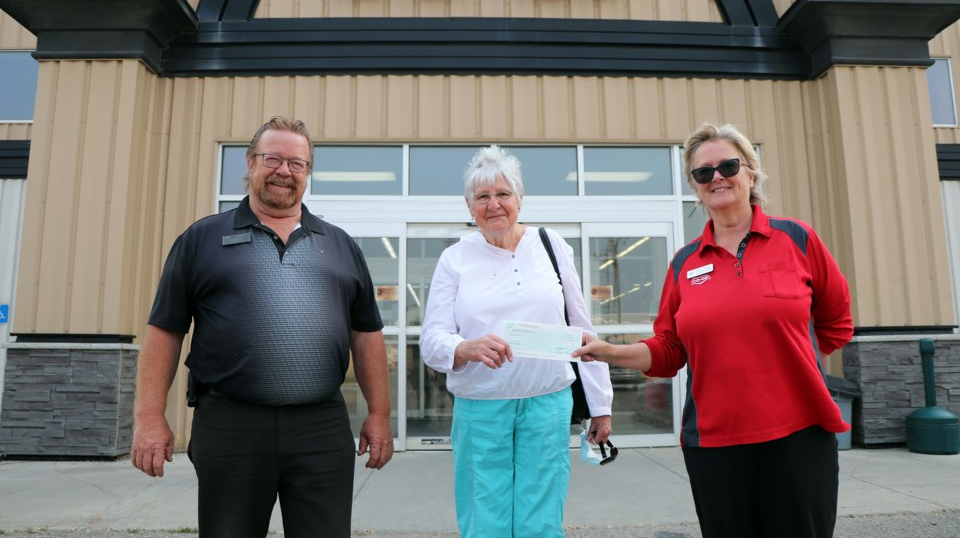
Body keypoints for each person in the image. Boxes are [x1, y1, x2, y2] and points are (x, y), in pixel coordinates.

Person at [575, 122, 853, 538]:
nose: (717, 177)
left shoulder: (797, 239)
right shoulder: (684, 263)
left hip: (800, 435)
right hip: (715, 443)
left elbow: (835, 323)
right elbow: (669, 350)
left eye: (727, 165)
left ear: (750, 172)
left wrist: (792, 364)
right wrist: (610, 351)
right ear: (695, 185)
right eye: (704, 172)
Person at [130, 116, 394, 538]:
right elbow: (165, 330)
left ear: (308, 173)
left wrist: (379, 414)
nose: (284, 172)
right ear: (250, 163)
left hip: (321, 427)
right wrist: (148, 416)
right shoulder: (201, 240)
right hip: (231, 424)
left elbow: (366, 335)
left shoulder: (340, 245)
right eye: (273, 159)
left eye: (297, 163)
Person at [420, 145, 614, 538]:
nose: (494, 205)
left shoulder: (551, 245)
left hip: (547, 400)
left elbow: (581, 326)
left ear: (520, 199)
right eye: (483, 197)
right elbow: (432, 339)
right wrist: (463, 348)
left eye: (503, 194)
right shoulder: (455, 258)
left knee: (541, 516)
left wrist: (601, 405)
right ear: (469, 205)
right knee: (483, 515)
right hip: (480, 405)